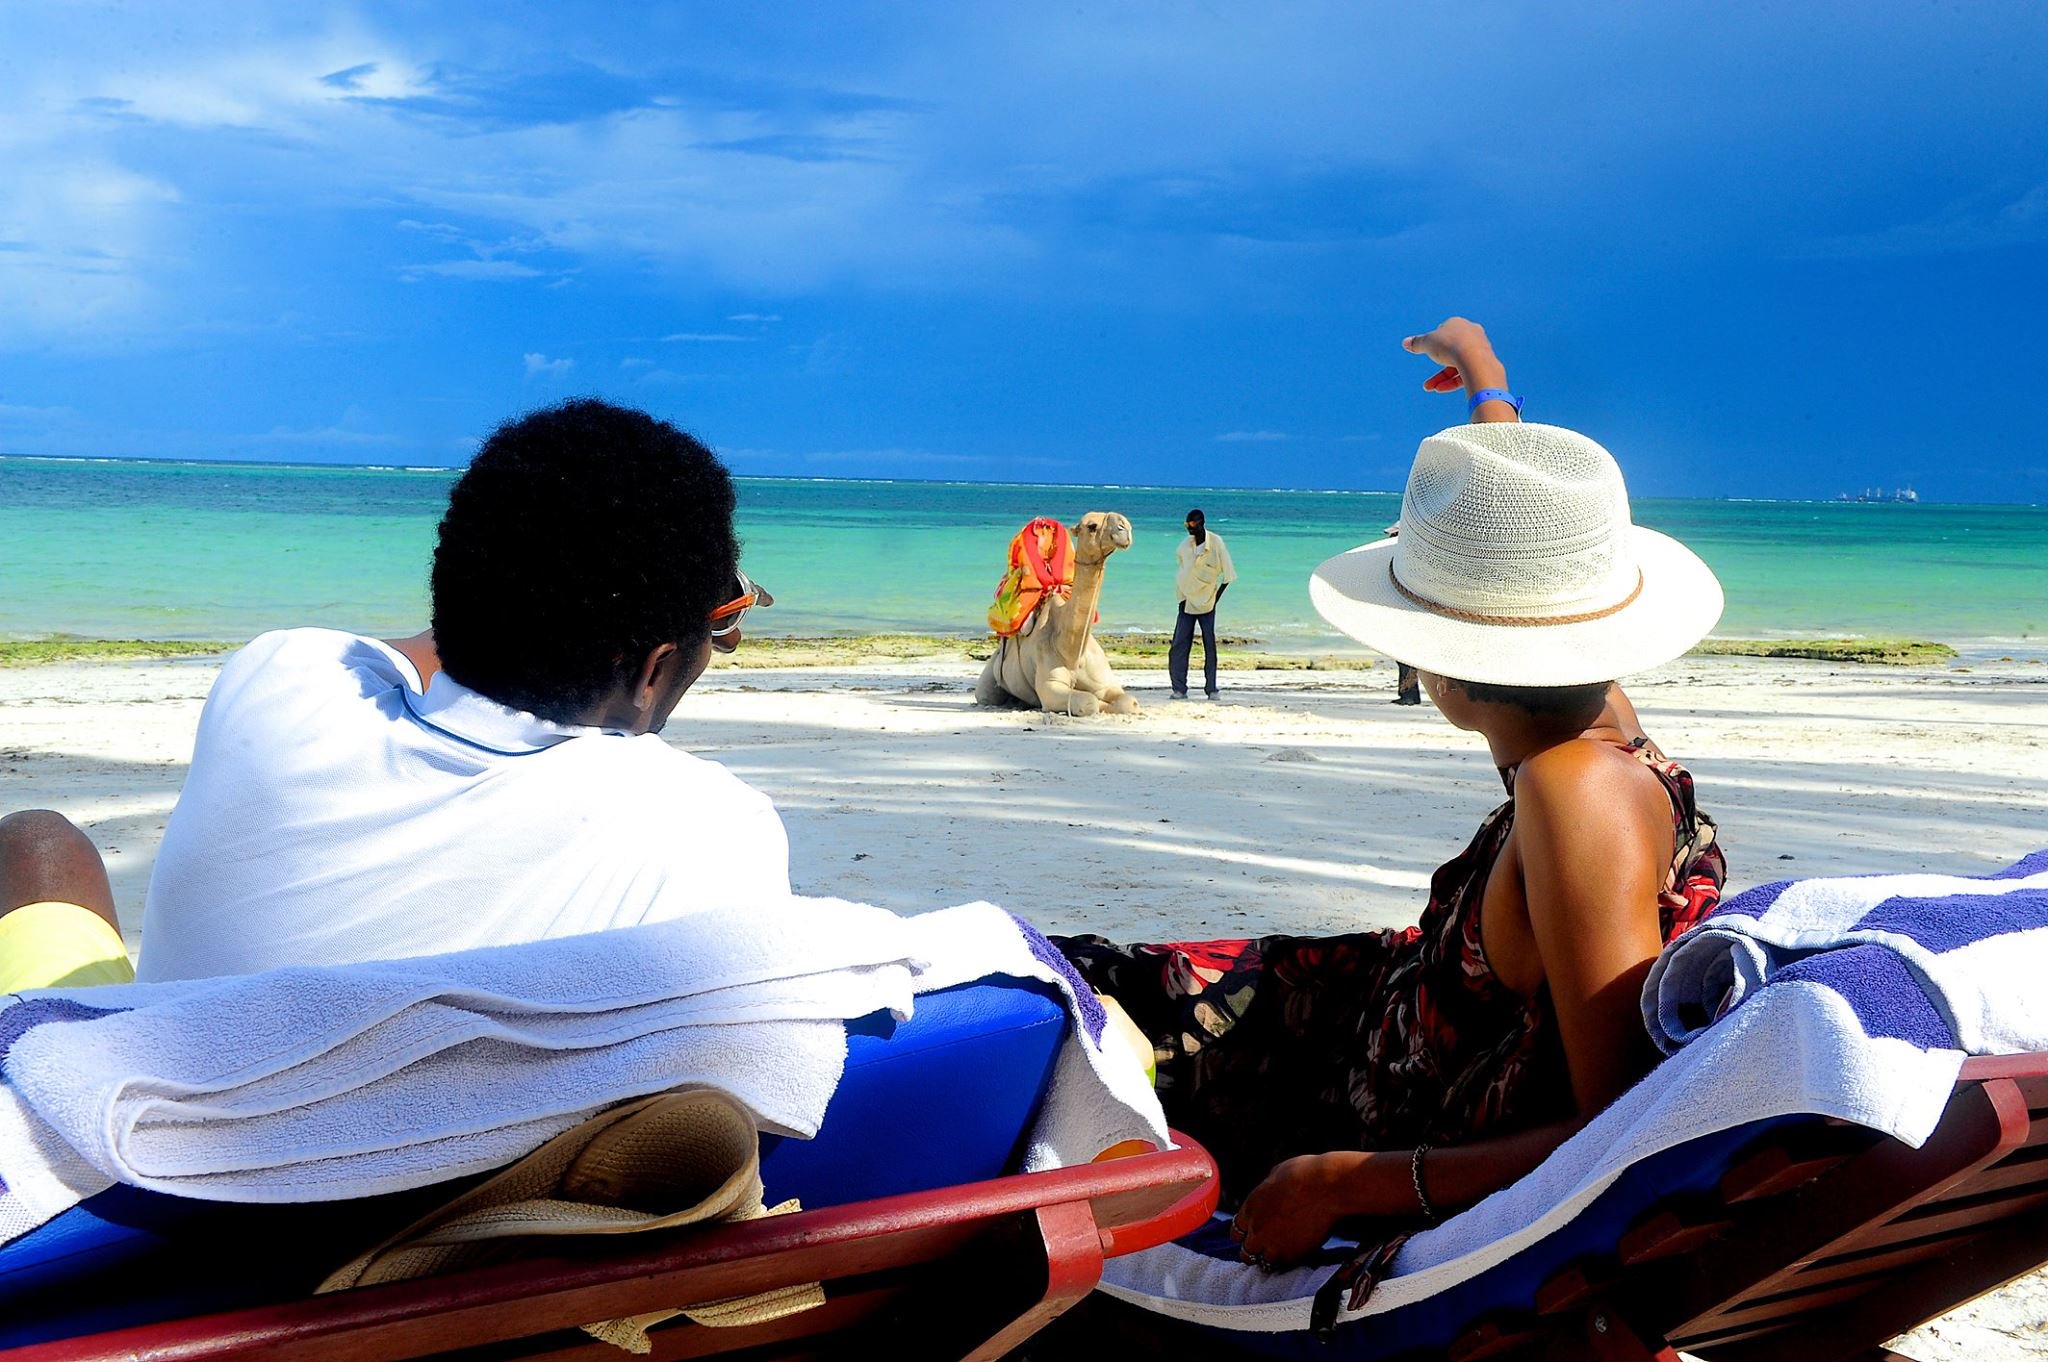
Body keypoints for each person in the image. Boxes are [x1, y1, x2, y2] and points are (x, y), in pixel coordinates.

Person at [1055, 318, 1727, 1309]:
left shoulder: (1575, 793)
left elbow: (1621, 1119)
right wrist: (1485, 385)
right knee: (1074, 977)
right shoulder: (1596, 727)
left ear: (1442, 659)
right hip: (1335, 1008)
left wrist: (1351, 1182)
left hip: (1331, 1100)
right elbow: (1525, 543)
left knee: (1051, 1015)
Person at [1, 398, 788, 991]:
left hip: (140, 1172)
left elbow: (434, 643)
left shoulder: (278, 681)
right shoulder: (713, 823)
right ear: (653, 669)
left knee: (37, 843)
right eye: (723, 621)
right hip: (436, 1199)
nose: (730, 637)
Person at [1168, 508, 1236, 700]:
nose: (1189, 530)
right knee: (1179, 645)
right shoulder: (1185, 545)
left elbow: (1228, 575)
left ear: (1200, 524)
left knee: (1209, 645)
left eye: (1191, 525)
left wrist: (1215, 599)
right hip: (1186, 600)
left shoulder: (1216, 544)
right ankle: (1179, 688)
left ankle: (1211, 688)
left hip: (1207, 603)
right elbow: (1181, 564)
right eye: (1186, 525)